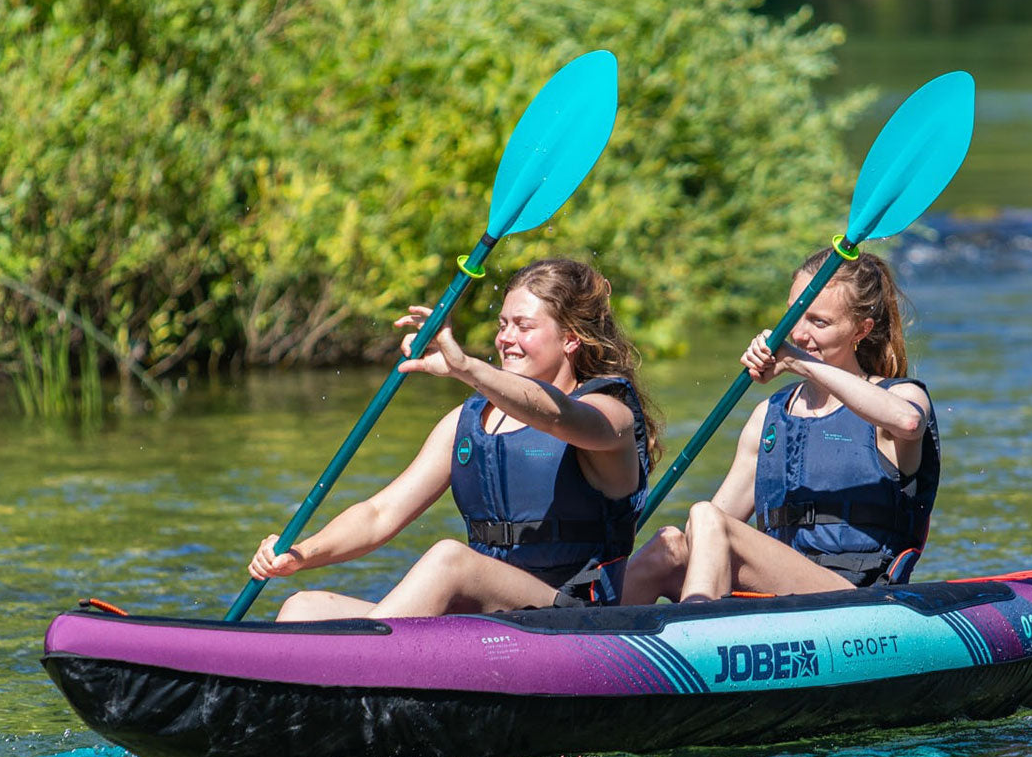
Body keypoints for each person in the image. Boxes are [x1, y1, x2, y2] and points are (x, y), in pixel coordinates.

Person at [247, 258, 659, 620]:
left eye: (524, 326)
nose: (506, 338)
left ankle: (360, 660)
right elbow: (379, 514)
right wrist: (301, 554)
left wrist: (464, 366)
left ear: (570, 338)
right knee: (303, 607)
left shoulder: (609, 414)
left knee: (450, 559)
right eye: (502, 325)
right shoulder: (465, 423)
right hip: (492, 620)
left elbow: (556, 415)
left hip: (575, 617)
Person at [622, 248, 939, 604]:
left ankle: (695, 631)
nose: (799, 334)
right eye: (795, 315)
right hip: (778, 593)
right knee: (669, 544)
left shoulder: (901, 396)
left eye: (819, 322)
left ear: (860, 330)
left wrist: (797, 363)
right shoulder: (768, 416)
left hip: (858, 597)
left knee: (706, 516)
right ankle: (592, 626)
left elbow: (908, 422)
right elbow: (711, 528)